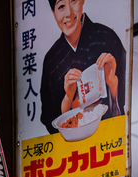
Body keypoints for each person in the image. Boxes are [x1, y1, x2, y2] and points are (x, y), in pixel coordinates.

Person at [41, 0, 127, 135]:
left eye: (73, 1)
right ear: (53, 13)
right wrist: (68, 99)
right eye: (61, 6)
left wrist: (113, 86)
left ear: (82, 1)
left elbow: (125, 106)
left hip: (107, 140)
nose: (68, 13)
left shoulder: (107, 37)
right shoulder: (51, 60)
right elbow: (49, 118)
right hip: (72, 150)